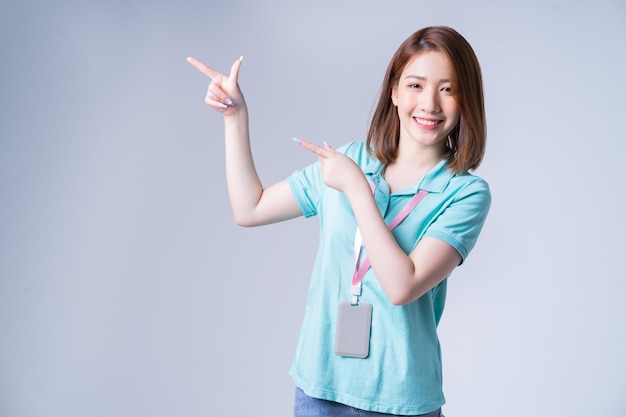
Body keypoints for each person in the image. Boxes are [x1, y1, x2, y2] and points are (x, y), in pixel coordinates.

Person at [188, 25, 490, 417]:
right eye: (416, 85)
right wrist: (235, 118)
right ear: (395, 92)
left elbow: (403, 285)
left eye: (447, 89)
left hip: (400, 399)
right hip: (320, 388)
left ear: (466, 99)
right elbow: (251, 208)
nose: (430, 103)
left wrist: (356, 189)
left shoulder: (465, 193)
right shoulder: (351, 160)